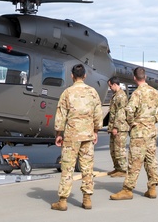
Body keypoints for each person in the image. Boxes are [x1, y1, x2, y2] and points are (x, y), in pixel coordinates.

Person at [110, 66, 158, 201]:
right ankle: (152, 187)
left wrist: (133, 123)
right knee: (151, 159)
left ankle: (127, 189)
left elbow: (129, 111)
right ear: (146, 77)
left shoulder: (136, 94)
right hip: (151, 131)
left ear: (134, 78)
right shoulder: (154, 92)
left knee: (135, 161)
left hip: (139, 133)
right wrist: (155, 119)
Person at [51, 63, 103, 211]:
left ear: (72, 76)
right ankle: (87, 199)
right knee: (87, 167)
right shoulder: (92, 92)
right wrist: (96, 131)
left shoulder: (67, 93)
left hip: (71, 136)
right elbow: (98, 114)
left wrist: (58, 134)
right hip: (87, 135)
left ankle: (62, 201)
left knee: (67, 167)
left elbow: (61, 115)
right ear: (85, 75)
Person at [106, 76, 129, 176]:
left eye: (110, 86)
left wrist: (115, 127)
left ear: (115, 84)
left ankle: (123, 170)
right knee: (113, 149)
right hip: (114, 127)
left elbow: (120, 113)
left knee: (119, 149)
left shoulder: (120, 96)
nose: (110, 88)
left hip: (119, 128)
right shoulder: (116, 95)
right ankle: (117, 168)